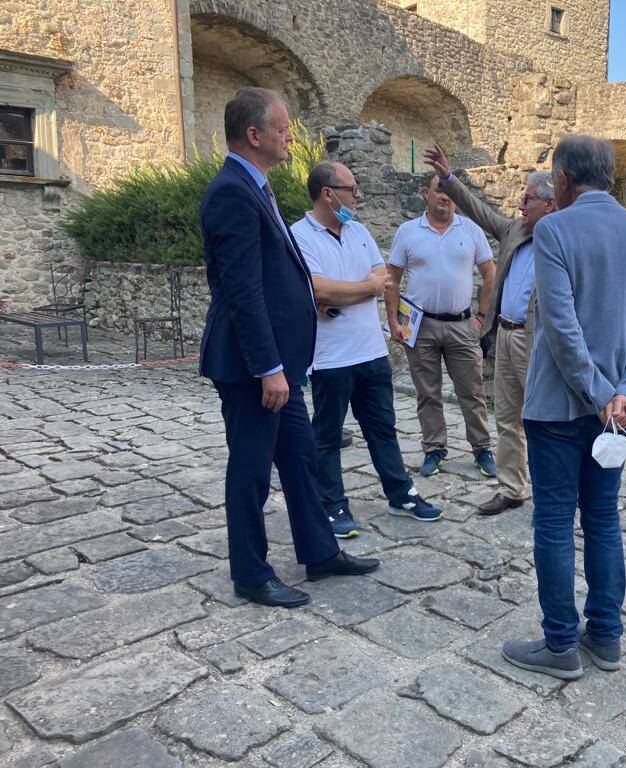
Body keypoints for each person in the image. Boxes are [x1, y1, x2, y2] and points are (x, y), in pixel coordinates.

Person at [501, 135, 626, 679]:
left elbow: (558, 322)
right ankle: (605, 637)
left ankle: (559, 645)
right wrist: (625, 394)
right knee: (602, 519)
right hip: (620, 414)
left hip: (559, 405)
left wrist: (598, 394)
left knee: (554, 520)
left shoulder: (554, 228)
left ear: (564, 181)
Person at [198, 87, 379, 609]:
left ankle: (320, 554)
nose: (289, 136)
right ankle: (250, 574)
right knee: (251, 471)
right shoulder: (232, 191)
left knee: (300, 459)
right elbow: (242, 292)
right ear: (254, 135)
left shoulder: (256, 186)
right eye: (281, 128)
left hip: (281, 365)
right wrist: (270, 369)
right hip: (255, 369)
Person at [290, 161, 444, 539]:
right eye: (351, 188)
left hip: (371, 352)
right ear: (329, 193)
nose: (358, 196)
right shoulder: (299, 236)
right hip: (330, 357)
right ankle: (332, 504)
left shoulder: (359, 232)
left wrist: (347, 290)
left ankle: (400, 493)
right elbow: (318, 291)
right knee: (327, 436)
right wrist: (363, 288)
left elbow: (386, 280)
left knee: (383, 429)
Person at [423, 144, 556, 516]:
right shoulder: (514, 230)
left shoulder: (565, 238)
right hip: (507, 336)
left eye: (527, 199)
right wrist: (448, 179)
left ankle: (553, 492)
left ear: (549, 203)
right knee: (507, 417)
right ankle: (512, 488)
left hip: (538, 342)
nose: (519, 206)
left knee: (544, 419)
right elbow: (479, 210)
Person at [385, 175, 498, 479]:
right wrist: (393, 321)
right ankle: (434, 449)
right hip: (420, 326)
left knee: (472, 391)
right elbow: (392, 280)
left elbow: (490, 273)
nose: (445, 197)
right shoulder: (408, 232)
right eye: (439, 190)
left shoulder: (471, 229)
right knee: (427, 392)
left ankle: (482, 448)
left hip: (462, 325)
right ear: (426, 194)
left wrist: (482, 316)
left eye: (450, 192)